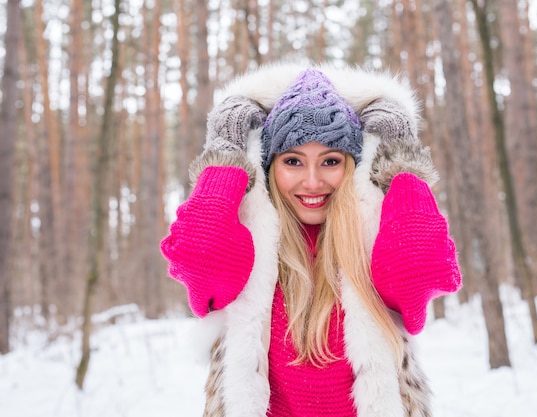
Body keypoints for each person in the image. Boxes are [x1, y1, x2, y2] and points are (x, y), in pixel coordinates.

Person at [160, 64, 462, 417]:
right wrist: (227, 148)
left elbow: (420, 269)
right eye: (293, 161)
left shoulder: (375, 239)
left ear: (351, 167)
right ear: (271, 168)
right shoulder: (252, 245)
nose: (313, 181)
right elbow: (198, 255)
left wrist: (399, 156)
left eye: (330, 161)